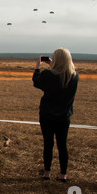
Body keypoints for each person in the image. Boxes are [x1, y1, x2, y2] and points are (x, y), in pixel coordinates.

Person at [32, 48, 79, 182]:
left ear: (56, 59)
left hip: (47, 115)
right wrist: (54, 65)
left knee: (48, 143)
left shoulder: (48, 74)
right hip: (64, 116)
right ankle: (63, 174)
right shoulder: (74, 76)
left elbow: (37, 82)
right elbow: (61, 74)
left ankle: (47, 172)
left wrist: (37, 67)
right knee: (62, 144)